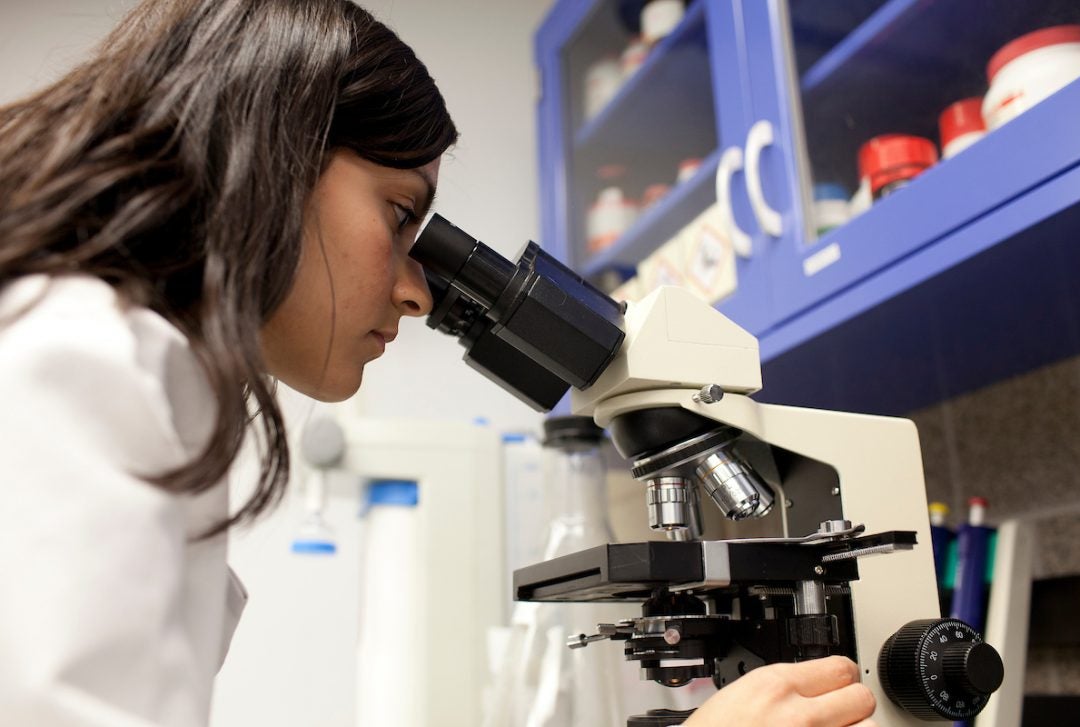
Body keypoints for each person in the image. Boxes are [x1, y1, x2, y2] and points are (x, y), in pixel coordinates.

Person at [0, 1, 877, 726]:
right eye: (398, 214)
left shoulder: (124, 362)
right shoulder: (82, 360)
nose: (421, 295)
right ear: (272, 152)